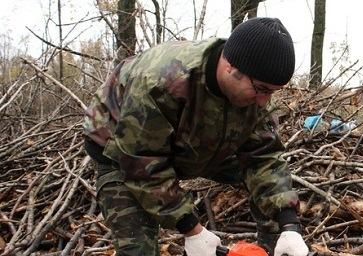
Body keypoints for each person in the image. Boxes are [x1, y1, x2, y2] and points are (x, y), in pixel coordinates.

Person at [83, 17, 309, 256]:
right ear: (230, 68)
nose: (264, 101)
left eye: (272, 92)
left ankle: (273, 247)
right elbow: (142, 161)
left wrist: (289, 224)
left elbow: (264, 158)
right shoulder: (161, 81)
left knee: (264, 186)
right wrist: (191, 229)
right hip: (121, 152)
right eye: (261, 89)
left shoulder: (253, 88)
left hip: (199, 144)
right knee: (137, 250)